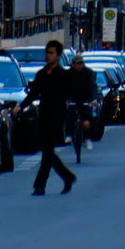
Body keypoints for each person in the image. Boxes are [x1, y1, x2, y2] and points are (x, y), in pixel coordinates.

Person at [21, 41, 77, 195]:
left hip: (57, 116)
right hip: (44, 115)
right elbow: (33, 93)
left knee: (47, 150)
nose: (48, 56)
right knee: (47, 151)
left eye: (52, 53)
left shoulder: (64, 75)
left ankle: (40, 185)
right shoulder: (41, 74)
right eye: (47, 52)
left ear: (58, 56)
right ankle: (67, 176)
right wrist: (21, 106)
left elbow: (74, 93)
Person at [66, 53, 100, 163]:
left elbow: (93, 86)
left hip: (86, 99)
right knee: (70, 113)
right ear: (73, 65)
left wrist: (94, 99)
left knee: (88, 118)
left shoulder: (89, 73)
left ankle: (87, 138)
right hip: (73, 99)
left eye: (81, 63)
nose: (79, 66)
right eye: (77, 64)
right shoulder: (68, 74)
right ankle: (69, 134)